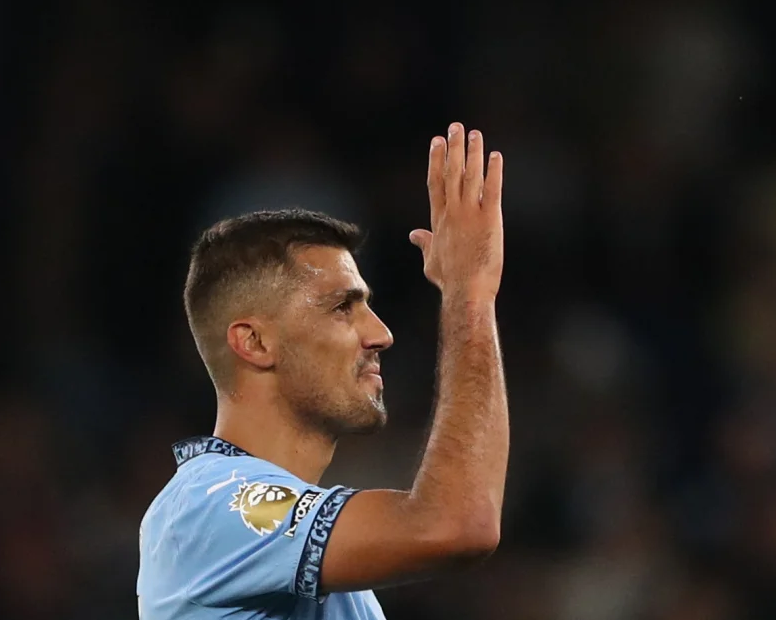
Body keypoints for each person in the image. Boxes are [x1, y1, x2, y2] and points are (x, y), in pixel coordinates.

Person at [137, 122, 509, 619]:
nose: (381, 334)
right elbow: (456, 523)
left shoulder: (326, 574)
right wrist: (469, 294)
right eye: (342, 308)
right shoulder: (213, 507)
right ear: (255, 342)